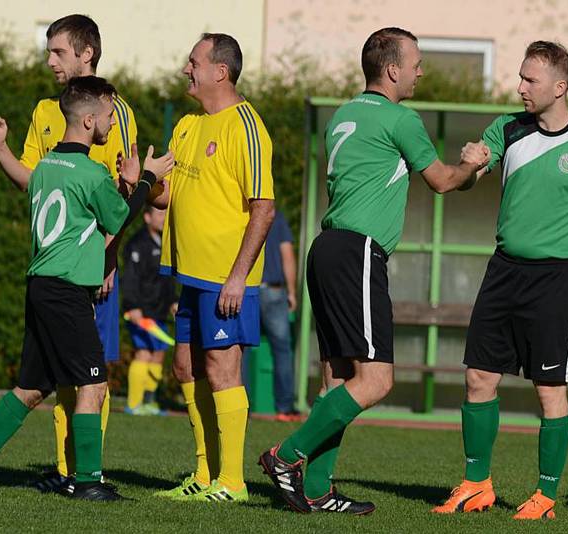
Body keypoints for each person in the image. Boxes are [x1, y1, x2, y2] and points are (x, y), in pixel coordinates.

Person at [258, 27, 489, 515]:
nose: (420, 71)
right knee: (377, 380)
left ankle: (317, 493)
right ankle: (286, 456)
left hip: (326, 249)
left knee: (339, 382)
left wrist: (468, 175)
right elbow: (444, 183)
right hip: (359, 253)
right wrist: (469, 164)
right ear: (392, 70)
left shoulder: (344, 114)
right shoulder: (401, 119)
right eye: (416, 62)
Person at [0, 75, 174, 501]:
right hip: (67, 290)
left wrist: (0, 149)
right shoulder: (90, 172)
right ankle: (88, 482)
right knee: (94, 384)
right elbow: (119, 219)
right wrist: (144, 178)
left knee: (33, 386)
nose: (112, 122)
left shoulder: (49, 165)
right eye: (108, 115)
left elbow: (43, 189)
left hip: (41, 284)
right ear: (89, 120)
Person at [431, 41, 568, 520]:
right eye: (520, 77)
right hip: (503, 269)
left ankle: (545, 496)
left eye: (530, 80)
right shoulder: (507, 129)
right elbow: (469, 179)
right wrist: (472, 163)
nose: (520, 87)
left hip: (559, 277)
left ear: (560, 87)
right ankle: (477, 485)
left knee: (548, 388)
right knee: (478, 375)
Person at [0, 14, 140, 494]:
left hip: (83, 264)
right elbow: (111, 196)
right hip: (68, 272)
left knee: (51, 380)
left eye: (58, 51)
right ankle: (81, 476)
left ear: (86, 53)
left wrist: (109, 259)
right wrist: (2, 151)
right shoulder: (48, 110)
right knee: (90, 377)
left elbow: (113, 188)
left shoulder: (114, 109)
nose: (49, 61)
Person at [155, 33, 275, 503]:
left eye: (194, 62)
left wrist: (237, 276)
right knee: (187, 367)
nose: (187, 70)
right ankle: (204, 475)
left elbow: (263, 206)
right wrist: (140, 183)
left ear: (219, 71)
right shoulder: (187, 126)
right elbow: (169, 196)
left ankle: (233, 481)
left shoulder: (246, 127)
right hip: (189, 275)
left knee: (224, 370)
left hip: (227, 277)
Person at [122, 205, 177, 415]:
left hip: (159, 311)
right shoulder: (137, 244)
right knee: (143, 353)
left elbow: (167, 280)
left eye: (165, 213)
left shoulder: (166, 243)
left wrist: (173, 301)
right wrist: (133, 306)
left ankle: (149, 402)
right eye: (159, 213)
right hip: (140, 312)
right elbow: (130, 278)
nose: (164, 218)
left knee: (159, 354)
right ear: (147, 217)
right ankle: (134, 404)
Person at [250, 207, 299, 421]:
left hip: (247, 290)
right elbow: (287, 255)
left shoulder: (243, 213)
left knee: (240, 350)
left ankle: (242, 407)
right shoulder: (277, 217)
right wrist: (292, 292)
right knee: (282, 351)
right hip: (274, 291)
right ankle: (284, 408)